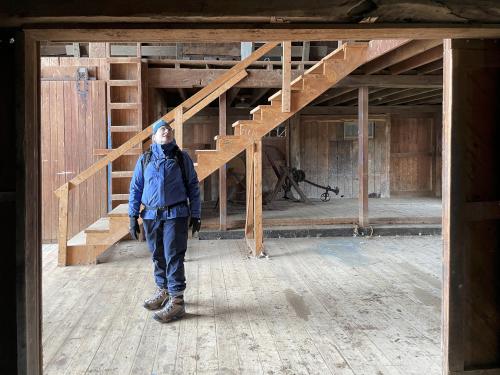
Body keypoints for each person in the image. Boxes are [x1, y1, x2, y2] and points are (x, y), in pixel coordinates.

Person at [128, 118, 201, 323]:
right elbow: (136, 188)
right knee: (158, 255)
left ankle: (177, 302)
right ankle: (164, 291)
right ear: (153, 137)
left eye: (168, 129)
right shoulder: (144, 160)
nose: (165, 132)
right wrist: (132, 215)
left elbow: (193, 187)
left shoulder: (181, 157)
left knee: (173, 256)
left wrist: (196, 214)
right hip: (151, 216)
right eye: (161, 130)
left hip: (176, 215)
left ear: (172, 135)